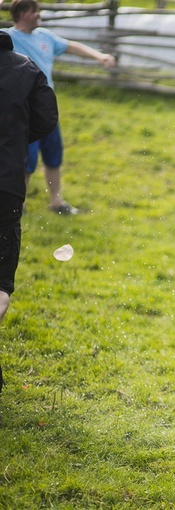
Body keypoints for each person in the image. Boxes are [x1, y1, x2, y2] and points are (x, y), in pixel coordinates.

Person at [4, 0, 116, 215]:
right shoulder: (7, 37)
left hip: (46, 109)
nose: (39, 14)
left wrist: (99, 56)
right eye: (34, 10)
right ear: (22, 13)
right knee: (26, 159)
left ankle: (56, 202)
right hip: (22, 110)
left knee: (54, 155)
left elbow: (71, 46)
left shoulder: (45, 36)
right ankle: (18, 204)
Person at [0, 29, 59, 393]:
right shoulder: (26, 68)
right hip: (6, 183)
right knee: (1, 281)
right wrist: (17, 137)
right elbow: (46, 119)